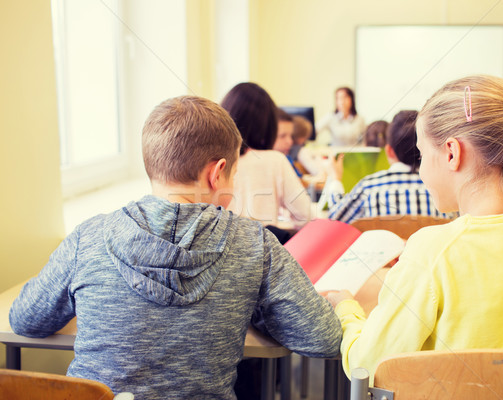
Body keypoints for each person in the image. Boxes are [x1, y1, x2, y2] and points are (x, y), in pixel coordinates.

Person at [9, 96, 342, 399]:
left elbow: (26, 320)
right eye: (234, 174)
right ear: (218, 173)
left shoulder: (90, 236)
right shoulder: (254, 244)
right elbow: (323, 338)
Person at [326, 75, 503, 380]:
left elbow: (367, 364)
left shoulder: (431, 250)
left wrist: (346, 309)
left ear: (452, 153)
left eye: (422, 154)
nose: (422, 169)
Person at [327, 110, 446, 224]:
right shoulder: (441, 190)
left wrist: (336, 180)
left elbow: (334, 218)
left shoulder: (368, 187)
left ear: (389, 151)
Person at [222, 82, 313, 229]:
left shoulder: (214, 162)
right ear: (268, 124)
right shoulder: (275, 160)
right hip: (262, 248)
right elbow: (306, 216)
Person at [274, 108, 302, 177]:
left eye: (291, 135)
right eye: (282, 136)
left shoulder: (286, 158)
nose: (290, 142)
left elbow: (298, 179)